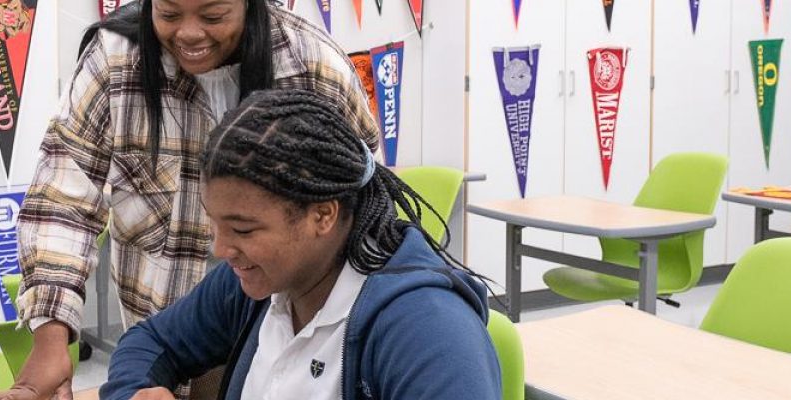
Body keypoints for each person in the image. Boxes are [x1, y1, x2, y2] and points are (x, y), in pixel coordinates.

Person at [0, 0, 380, 397]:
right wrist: (51, 342)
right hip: (161, 351)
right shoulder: (116, 59)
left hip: (290, 362)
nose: (189, 33)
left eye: (213, 16)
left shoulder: (311, 65)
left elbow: (364, 212)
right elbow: (63, 199)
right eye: (168, 14)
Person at [99, 89, 502, 400]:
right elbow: (152, 341)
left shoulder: (427, 329)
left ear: (322, 215)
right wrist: (134, 391)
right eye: (215, 224)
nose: (221, 249)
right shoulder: (256, 285)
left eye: (243, 229)